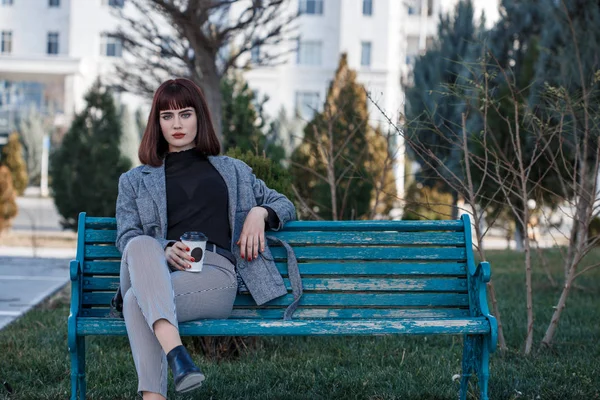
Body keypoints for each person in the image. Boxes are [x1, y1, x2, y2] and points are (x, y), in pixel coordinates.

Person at [115, 78, 296, 399]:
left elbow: (285, 204)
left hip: (213, 276)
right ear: (157, 123)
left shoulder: (233, 171)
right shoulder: (134, 180)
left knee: (134, 301)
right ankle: (178, 356)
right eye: (167, 116)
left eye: (185, 114)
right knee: (141, 244)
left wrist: (259, 213)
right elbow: (127, 236)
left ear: (199, 116)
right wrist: (164, 250)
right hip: (154, 269)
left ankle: (160, 385)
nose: (177, 124)